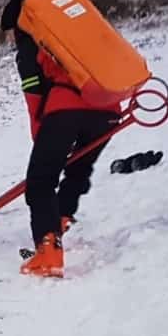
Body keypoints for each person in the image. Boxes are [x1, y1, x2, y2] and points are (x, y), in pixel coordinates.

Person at [20, 47, 120, 278]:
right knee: (80, 168)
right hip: (109, 109)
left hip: (66, 109)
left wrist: (42, 139)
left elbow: (34, 94)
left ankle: (48, 253)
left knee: (41, 181)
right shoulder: (67, 32)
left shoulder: (30, 45)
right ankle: (61, 218)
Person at [0, 0, 46, 139]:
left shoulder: (26, 53)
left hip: (47, 127)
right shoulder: (42, 41)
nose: (9, 39)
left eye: (8, 32)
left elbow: (34, 102)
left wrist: (39, 140)